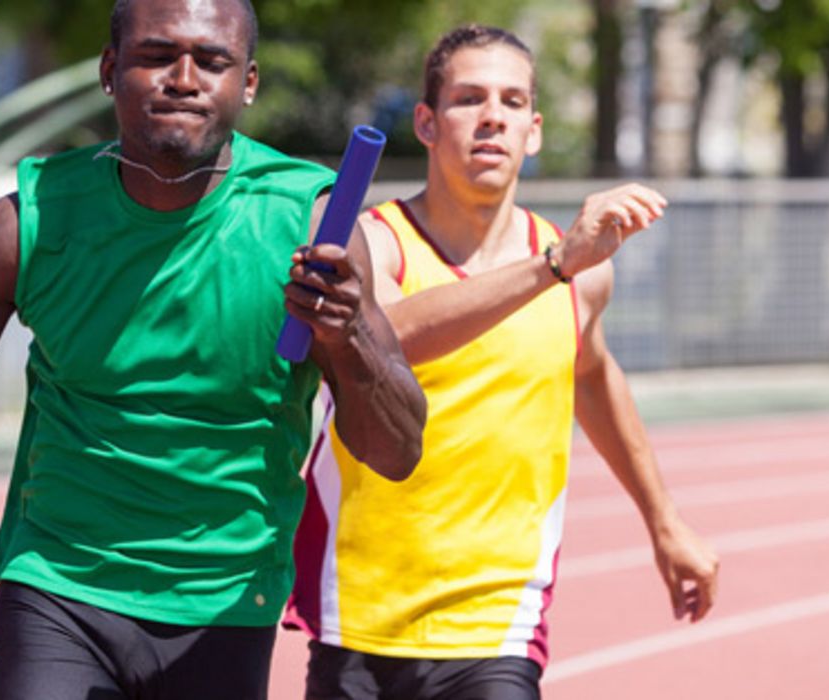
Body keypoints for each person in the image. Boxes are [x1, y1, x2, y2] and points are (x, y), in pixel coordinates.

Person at [0, 0, 427, 698]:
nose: (182, 79)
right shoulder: (28, 222)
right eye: (156, 55)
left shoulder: (306, 222)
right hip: (57, 585)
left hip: (222, 602)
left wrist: (351, 334)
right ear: (109, 68)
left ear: (247, 83)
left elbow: (397, 451)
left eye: (211, 61)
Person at [285, 24, 720, 699]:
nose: (492, 117)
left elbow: (593, 376)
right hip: (360, 615)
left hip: (497, 625)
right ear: (426, 123)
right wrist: (550, 268)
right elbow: (384, 340)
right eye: (469, 99)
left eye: (512, 102)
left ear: (535, 130)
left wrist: (664, 522)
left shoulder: (579, 274)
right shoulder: (377, 243)